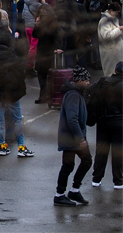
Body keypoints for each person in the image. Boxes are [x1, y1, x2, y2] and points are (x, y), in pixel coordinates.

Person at [0, 14, 33, 158]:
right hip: (12, 94)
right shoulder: (14, 59)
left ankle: (3, 146)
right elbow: (20, 76)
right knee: (17, 119)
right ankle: (21, 147)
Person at [54, 66, 93, 206]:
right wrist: (80, 138)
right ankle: (59, 195)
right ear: (80, 80)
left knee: (86, 160)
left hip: (74, 137)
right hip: (71, 138)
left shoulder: (78, 93)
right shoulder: (73, 95)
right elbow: (72, 119)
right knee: (68, 165)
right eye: (87, 80)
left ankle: (74, 190)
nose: (88, 83)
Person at [92, 61, 123, 189]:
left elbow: (90, 92)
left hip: (103, 121)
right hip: (119, 123)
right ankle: (118, 181)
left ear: (115, 71)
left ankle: (96, 179)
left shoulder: (103, 82)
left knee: (101, 150)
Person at [97, 2, 122, 77]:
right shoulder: (104, 21)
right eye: (116, 12)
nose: (117, 14)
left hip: (115, 51)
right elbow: (107, 36)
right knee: (110, 73)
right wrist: (119, 29)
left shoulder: (113, 19)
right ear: (111, 10)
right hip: (109, 52)